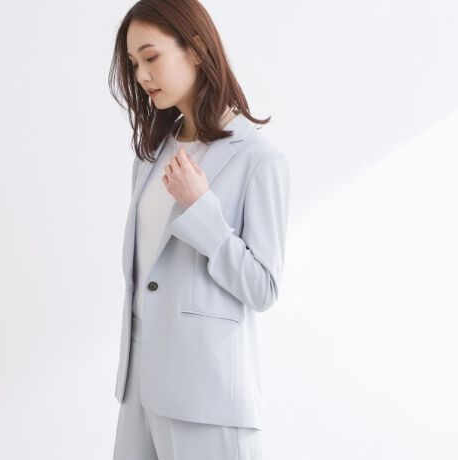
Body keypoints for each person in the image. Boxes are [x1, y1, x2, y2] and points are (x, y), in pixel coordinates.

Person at [108, 1, 290, 459]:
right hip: (139, 390)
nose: (141, 75)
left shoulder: (258, 158)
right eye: (133, 63)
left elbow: (263, 288)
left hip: (207, 398)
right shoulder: (151, 156)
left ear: (195, 48)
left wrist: (201, 209)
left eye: (151, 57)